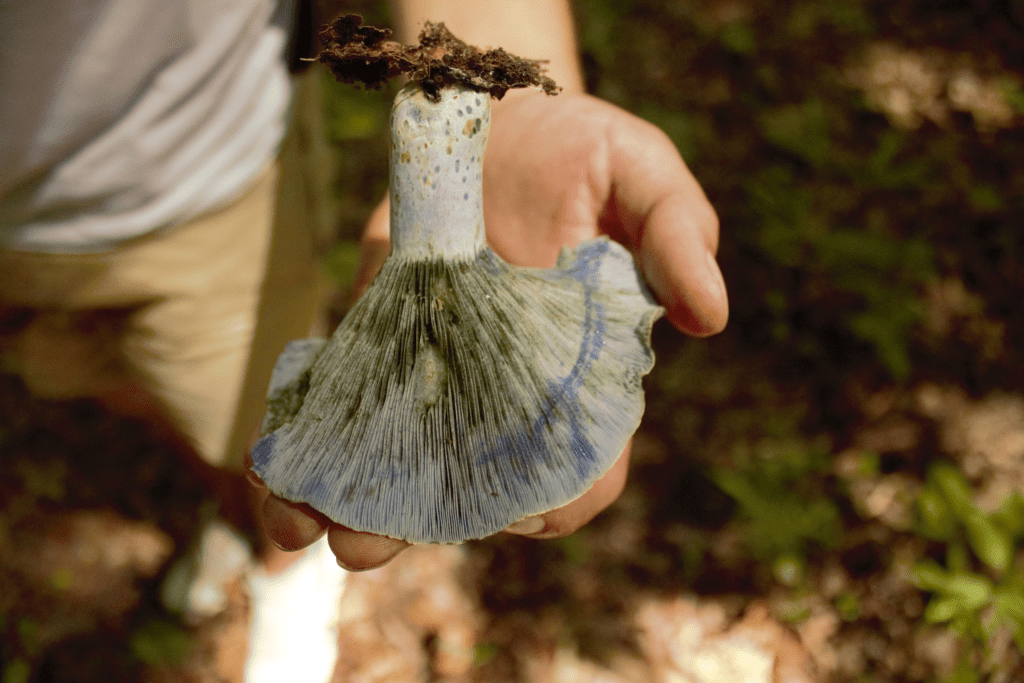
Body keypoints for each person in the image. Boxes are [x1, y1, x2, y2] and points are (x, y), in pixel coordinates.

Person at [0, 0, 727, 680]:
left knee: (239, 424)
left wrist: (522, 90)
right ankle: (233, 513)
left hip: (200, 197)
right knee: (97, 377)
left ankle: (284, 572)